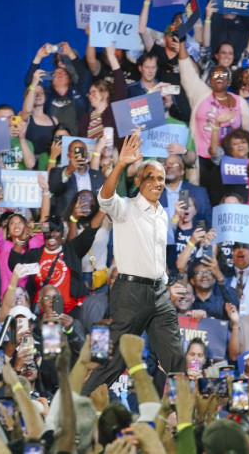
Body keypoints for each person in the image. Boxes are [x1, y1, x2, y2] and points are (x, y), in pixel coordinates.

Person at [81, 135, 185, 396]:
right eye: (150, 177)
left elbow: (156, 258)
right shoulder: (125, 207)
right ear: (138, 181)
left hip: (159, 295)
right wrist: (120, 165)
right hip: (130, 294)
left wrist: (165, 283)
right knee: (113, 362)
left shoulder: (162, 214)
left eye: (160, 178)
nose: (157, 182)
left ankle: (181, 418)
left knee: (176, 361)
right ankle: (80, 408)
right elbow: (105, 199)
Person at [179, 39, 249, 186]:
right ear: (210, 80)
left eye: (223, 76)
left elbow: (247, 135)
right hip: (201, 159)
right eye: (215, 75)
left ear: (229, 80)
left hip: (230, 161)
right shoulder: (200, 93)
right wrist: (181, 42)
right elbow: (186, 69)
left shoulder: (240, 102)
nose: (219, 78)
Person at [24, 42, 91, 135]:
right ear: (51, 80)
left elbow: (85, 76)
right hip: (51, 142)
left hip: (77, 140)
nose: (59, 74)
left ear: (70, 79)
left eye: (63, 73)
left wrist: (70, 53)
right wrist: (38, 57)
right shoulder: (46, 94)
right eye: (56, 73)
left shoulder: (79, 91)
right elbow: (30, 83)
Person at [48, 138, 105, 216]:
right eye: (75, 151)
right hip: (67, 222)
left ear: (87, 154)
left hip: (92, 223)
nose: (78, 154)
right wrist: (68, 172)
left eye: (81, 150)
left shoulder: (98, 175)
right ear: (68, 156)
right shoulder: (57, 173)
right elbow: (53, 189)